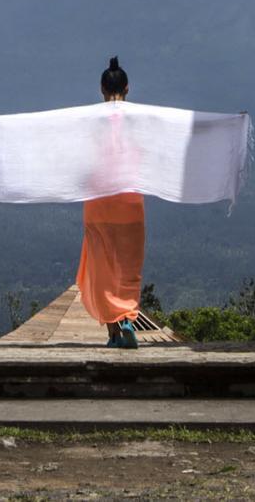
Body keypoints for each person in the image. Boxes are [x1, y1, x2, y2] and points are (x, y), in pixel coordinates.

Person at [77, 56, 147, 348]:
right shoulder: (141, 122)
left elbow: (83, 158)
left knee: (102, 269)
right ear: (128, 89)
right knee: (129, 270)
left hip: (99, 204)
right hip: (131, 204)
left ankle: (114, 333)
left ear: (101, 89)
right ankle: (128, 317)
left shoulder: (92, 123)